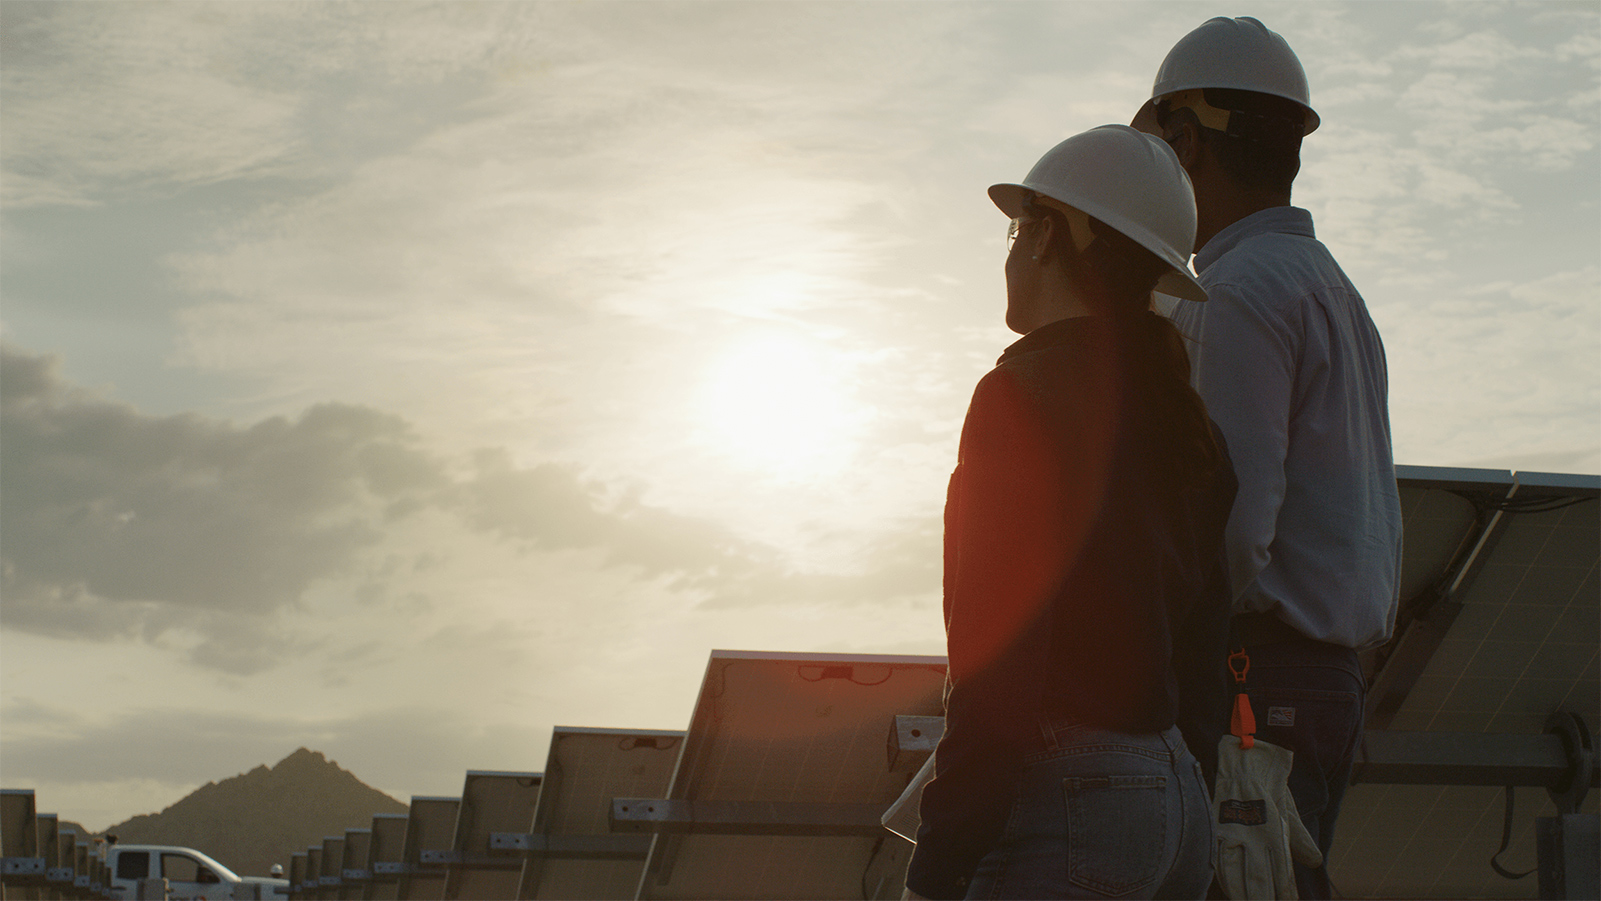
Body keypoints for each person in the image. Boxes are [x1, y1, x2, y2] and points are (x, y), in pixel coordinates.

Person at [903, 124, 1238, 901]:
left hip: (1072, 804)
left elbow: (996, 656)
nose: (1011, 249)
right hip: (1176, 802)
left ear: (1052, 235)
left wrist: (939, 861)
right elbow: (1204, 652)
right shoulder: (1189, 424)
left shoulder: (1019, 397)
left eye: (1020, 226)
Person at [1132, 17, 1404, 900]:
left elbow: (1228, 526)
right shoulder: (1331, 289)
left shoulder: (1233, 293)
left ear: (1183, 139)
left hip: (1251, 677)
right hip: (1319, 683)